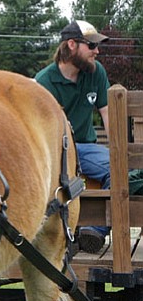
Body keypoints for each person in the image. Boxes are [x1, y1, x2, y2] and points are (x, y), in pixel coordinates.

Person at [35, 20, 110, 254]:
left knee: (124, 170)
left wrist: (120, 154)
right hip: (57, 150)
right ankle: (61, 236)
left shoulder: (95, 73)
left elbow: (109, 117)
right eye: (91, 45)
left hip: (86, 148)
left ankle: (94, 233)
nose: (97, 51)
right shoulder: (44, 82)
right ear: (71, 45)